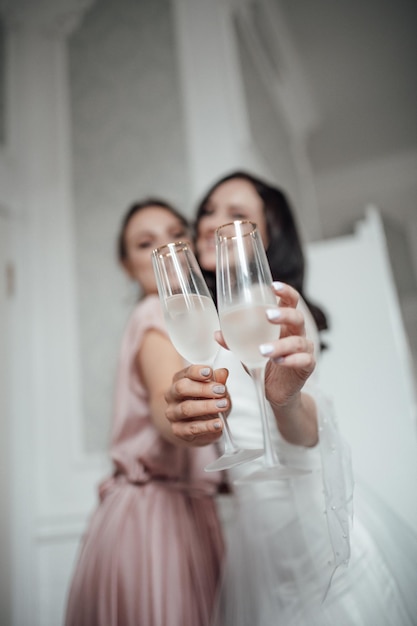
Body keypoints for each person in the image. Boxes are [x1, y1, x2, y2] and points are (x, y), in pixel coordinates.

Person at [164, 171, 417, 625]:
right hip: (253, 535)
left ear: (267, 237)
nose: (210, 223)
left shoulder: (281, 306)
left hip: (311, 525)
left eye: (236, 214)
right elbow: (194, 421)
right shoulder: (198, 320)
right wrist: (185, 420)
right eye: (207, 210)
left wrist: (284, 401)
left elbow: (307, 430)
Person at [65, 199, 225, 626]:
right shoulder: (155, 312)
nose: (166, 250)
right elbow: (163, 397)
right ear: (126, 265)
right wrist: (183, 418)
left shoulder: (200, 320)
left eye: (176, 234)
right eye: (145, 243)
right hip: (157, 518)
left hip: (174, 510)